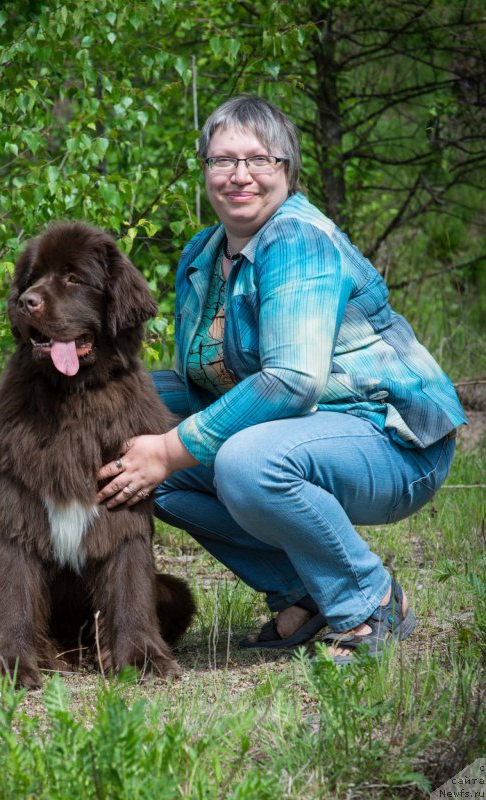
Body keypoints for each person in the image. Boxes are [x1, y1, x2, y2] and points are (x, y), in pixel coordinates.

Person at [96, 96, 465, 663]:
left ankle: (370, 602)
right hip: (304, 431)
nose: (239, 175)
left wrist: (170, 448)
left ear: (286, 170)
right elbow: (202, 385)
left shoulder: (299, 240)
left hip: (394, 440)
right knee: (127, 429)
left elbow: (293, 380)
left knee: (241, 462)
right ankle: (303, 593)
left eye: (258, 160)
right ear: (205, 171)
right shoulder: (200, 255)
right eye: (222, 161)